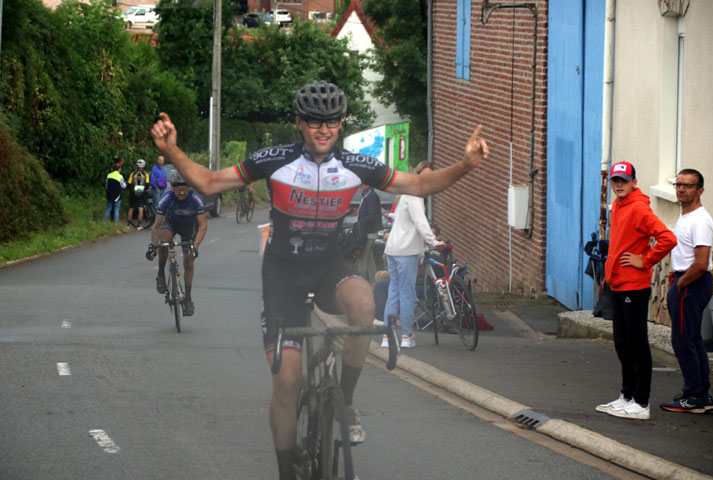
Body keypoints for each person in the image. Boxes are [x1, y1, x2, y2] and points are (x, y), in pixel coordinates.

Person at [150, 80, 488, 480]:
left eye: (331, 122)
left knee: (364, 305)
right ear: (299, 123)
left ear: (341, 123)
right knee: (288, 381)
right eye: (314, 122)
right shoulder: (276, 160)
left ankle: (344, 399)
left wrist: (465, 165)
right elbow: (208, 183)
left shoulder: (355, 165)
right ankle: (286, 470)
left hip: (329, 266)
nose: (323, 129)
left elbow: (416, 185)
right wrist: (170, 149)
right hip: (283, 275)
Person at [595, 161, 677, 420]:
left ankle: (641, 403)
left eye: (623, 180)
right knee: (622, 342)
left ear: (634, 183)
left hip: (634, 285)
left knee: (636, 342)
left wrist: (646, 259)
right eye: (615, 181)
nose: (618, 185)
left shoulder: (639, 208)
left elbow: (668, 238)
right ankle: (627, 396)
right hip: (618, 283)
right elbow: (620, 243)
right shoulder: (619, 205)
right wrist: (607, 276)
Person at [660, 169, 713, 413]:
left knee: (683, 340)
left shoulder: (700, 220)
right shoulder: (686, 216)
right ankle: (701, 395)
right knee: (692, 339)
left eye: (688, 186)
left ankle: (694, 395)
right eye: (679, 185)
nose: (681, 189)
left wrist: (680, 284)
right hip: (686, 280)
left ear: (700, 190)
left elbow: (702, 263)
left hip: (691, 281)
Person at [382, 161, 442, 348]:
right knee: (406, 294)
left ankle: (387, 337)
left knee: (393, 292)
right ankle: (406, 337)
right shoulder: (416, 196)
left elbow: (401, 220)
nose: (427, 178)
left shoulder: (405, 195)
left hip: (392, 248)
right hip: (406, 251)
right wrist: (434, 242)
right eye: (424, 174)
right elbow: (421, 223)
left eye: (430, 175)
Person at [145, 172, 207, 317]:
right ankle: (161, 272)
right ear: (172, 187)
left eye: (185, 188)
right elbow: (156, 225)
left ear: (189, 187)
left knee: (189, 261)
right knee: (164, 238)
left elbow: (203, 225)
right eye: (177, 188)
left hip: (189, 228)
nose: (181, 192)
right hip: (171, 224)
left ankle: (188, 298)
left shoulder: (195, 198)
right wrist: (153, 246)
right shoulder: (167, 197)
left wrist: (195, 246)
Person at [353, 184, 383, 281]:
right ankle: (375, 282)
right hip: (367, 232)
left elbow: (372, 216)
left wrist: (359, 223)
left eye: (364, 183)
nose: (361, 185)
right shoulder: (367, 196)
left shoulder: (372, 197)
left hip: (368, 233)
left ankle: (361, 283)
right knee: (369, 260)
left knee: (362, 259)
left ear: (369, 185)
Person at [127, 159, 150, 228]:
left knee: (131, 208)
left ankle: (128, 225)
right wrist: (142, 191)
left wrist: (133, 191)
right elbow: (147, 184)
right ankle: (139, 225)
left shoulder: (133, 173)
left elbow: (129, 183)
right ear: (144, 165)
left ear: (137, 165)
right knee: (141, 208)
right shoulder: (146, 174)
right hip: (141, 191)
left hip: (133, 191)